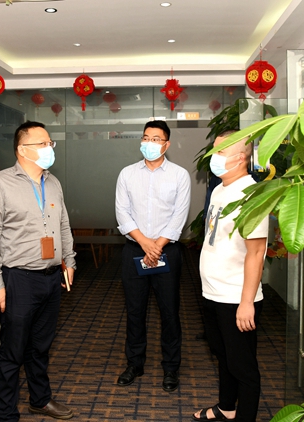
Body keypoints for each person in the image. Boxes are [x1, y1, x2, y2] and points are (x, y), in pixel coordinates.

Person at [0, 121, 76, 422]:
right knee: (13, 351)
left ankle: (40, 400)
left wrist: (69, 261)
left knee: (41, 346)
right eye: (42, 144)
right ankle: (6, 414)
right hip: (18, 278)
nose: (49, 149)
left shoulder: (53, 182)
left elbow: (63, 226)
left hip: (51, 277)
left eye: (50, 143)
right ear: (22, 149)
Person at [193, 131, 268, 422]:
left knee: (243, 367)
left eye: (221, 152)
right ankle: (227, 407)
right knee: (223, 356)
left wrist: (246, 303)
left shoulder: (252, 195)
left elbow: (256, 252)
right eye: (214, 149)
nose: (213, 156)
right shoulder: (220, 189)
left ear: (240, 158)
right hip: (212, 291)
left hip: (236, 296)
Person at [114, 120, 191, 392]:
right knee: (135, 311)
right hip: (135, 250)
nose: (150, 143)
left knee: (169, 312)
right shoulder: (127, 174)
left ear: (166, 144)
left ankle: (171, 368)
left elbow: (179, 216)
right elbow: (122, 213)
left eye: (156, 139)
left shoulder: (180, 175)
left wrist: (156, 246)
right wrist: (146, 243)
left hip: (166, 252)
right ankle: (135, 363)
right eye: (146, 138)